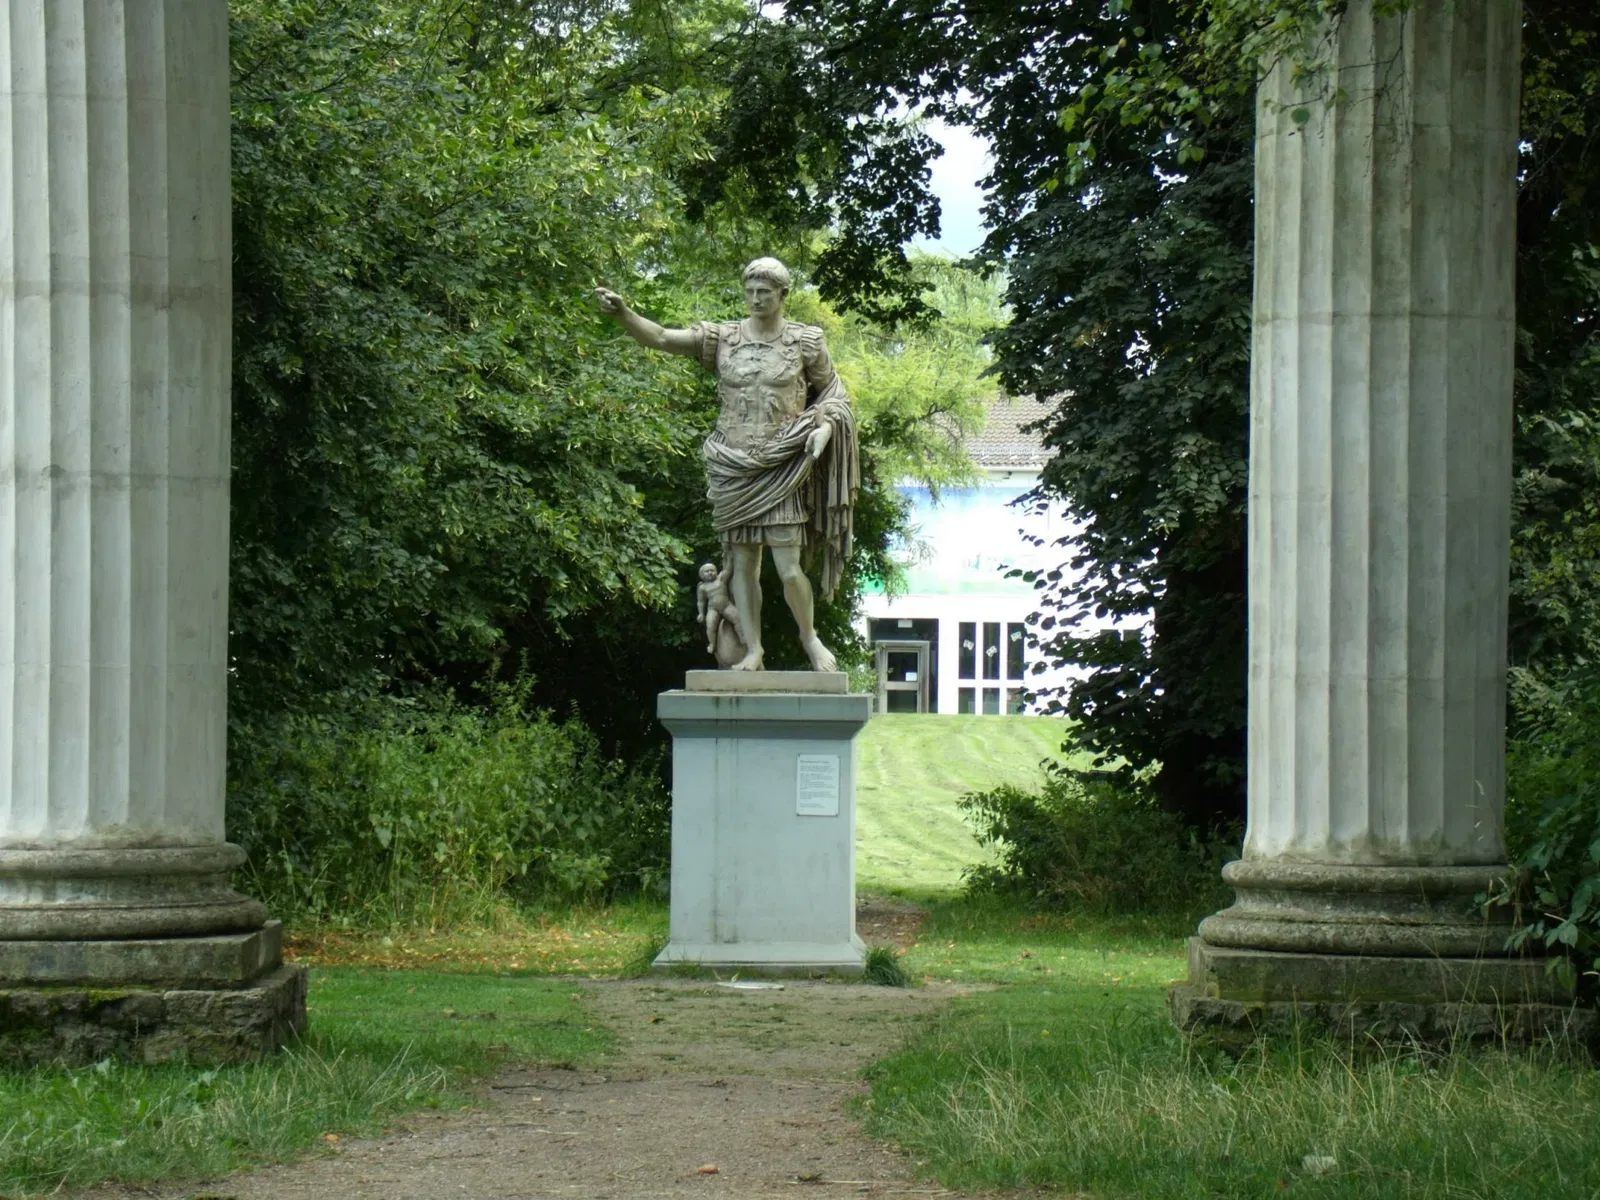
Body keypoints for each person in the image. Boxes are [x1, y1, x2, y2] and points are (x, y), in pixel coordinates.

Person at [595, 258, 859, 671]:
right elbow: (662, 338)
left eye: (764, 292)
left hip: (781, 466)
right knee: (743, 566)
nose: (756, 299)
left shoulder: (804, 342)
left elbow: (836, 396)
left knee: (789, 569)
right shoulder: (722, 339)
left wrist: (824, 428)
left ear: (783, 295)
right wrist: (625, 314)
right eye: (750, 291)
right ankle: (754, 650)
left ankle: (809, 638)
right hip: (732, 464)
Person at [694, 561, 742, 658]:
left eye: (712, 570)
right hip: (713, 609)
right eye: (707, 571)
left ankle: (742, 637)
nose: (710, 573)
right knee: (710, 626)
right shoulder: (702, 587)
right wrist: (701, 613)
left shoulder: (721, 579)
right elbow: (701, 602)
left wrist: (729, 557)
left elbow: (728, 570)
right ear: (702, 575)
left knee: (738, 619)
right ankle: (712, 643)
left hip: (726, 605)